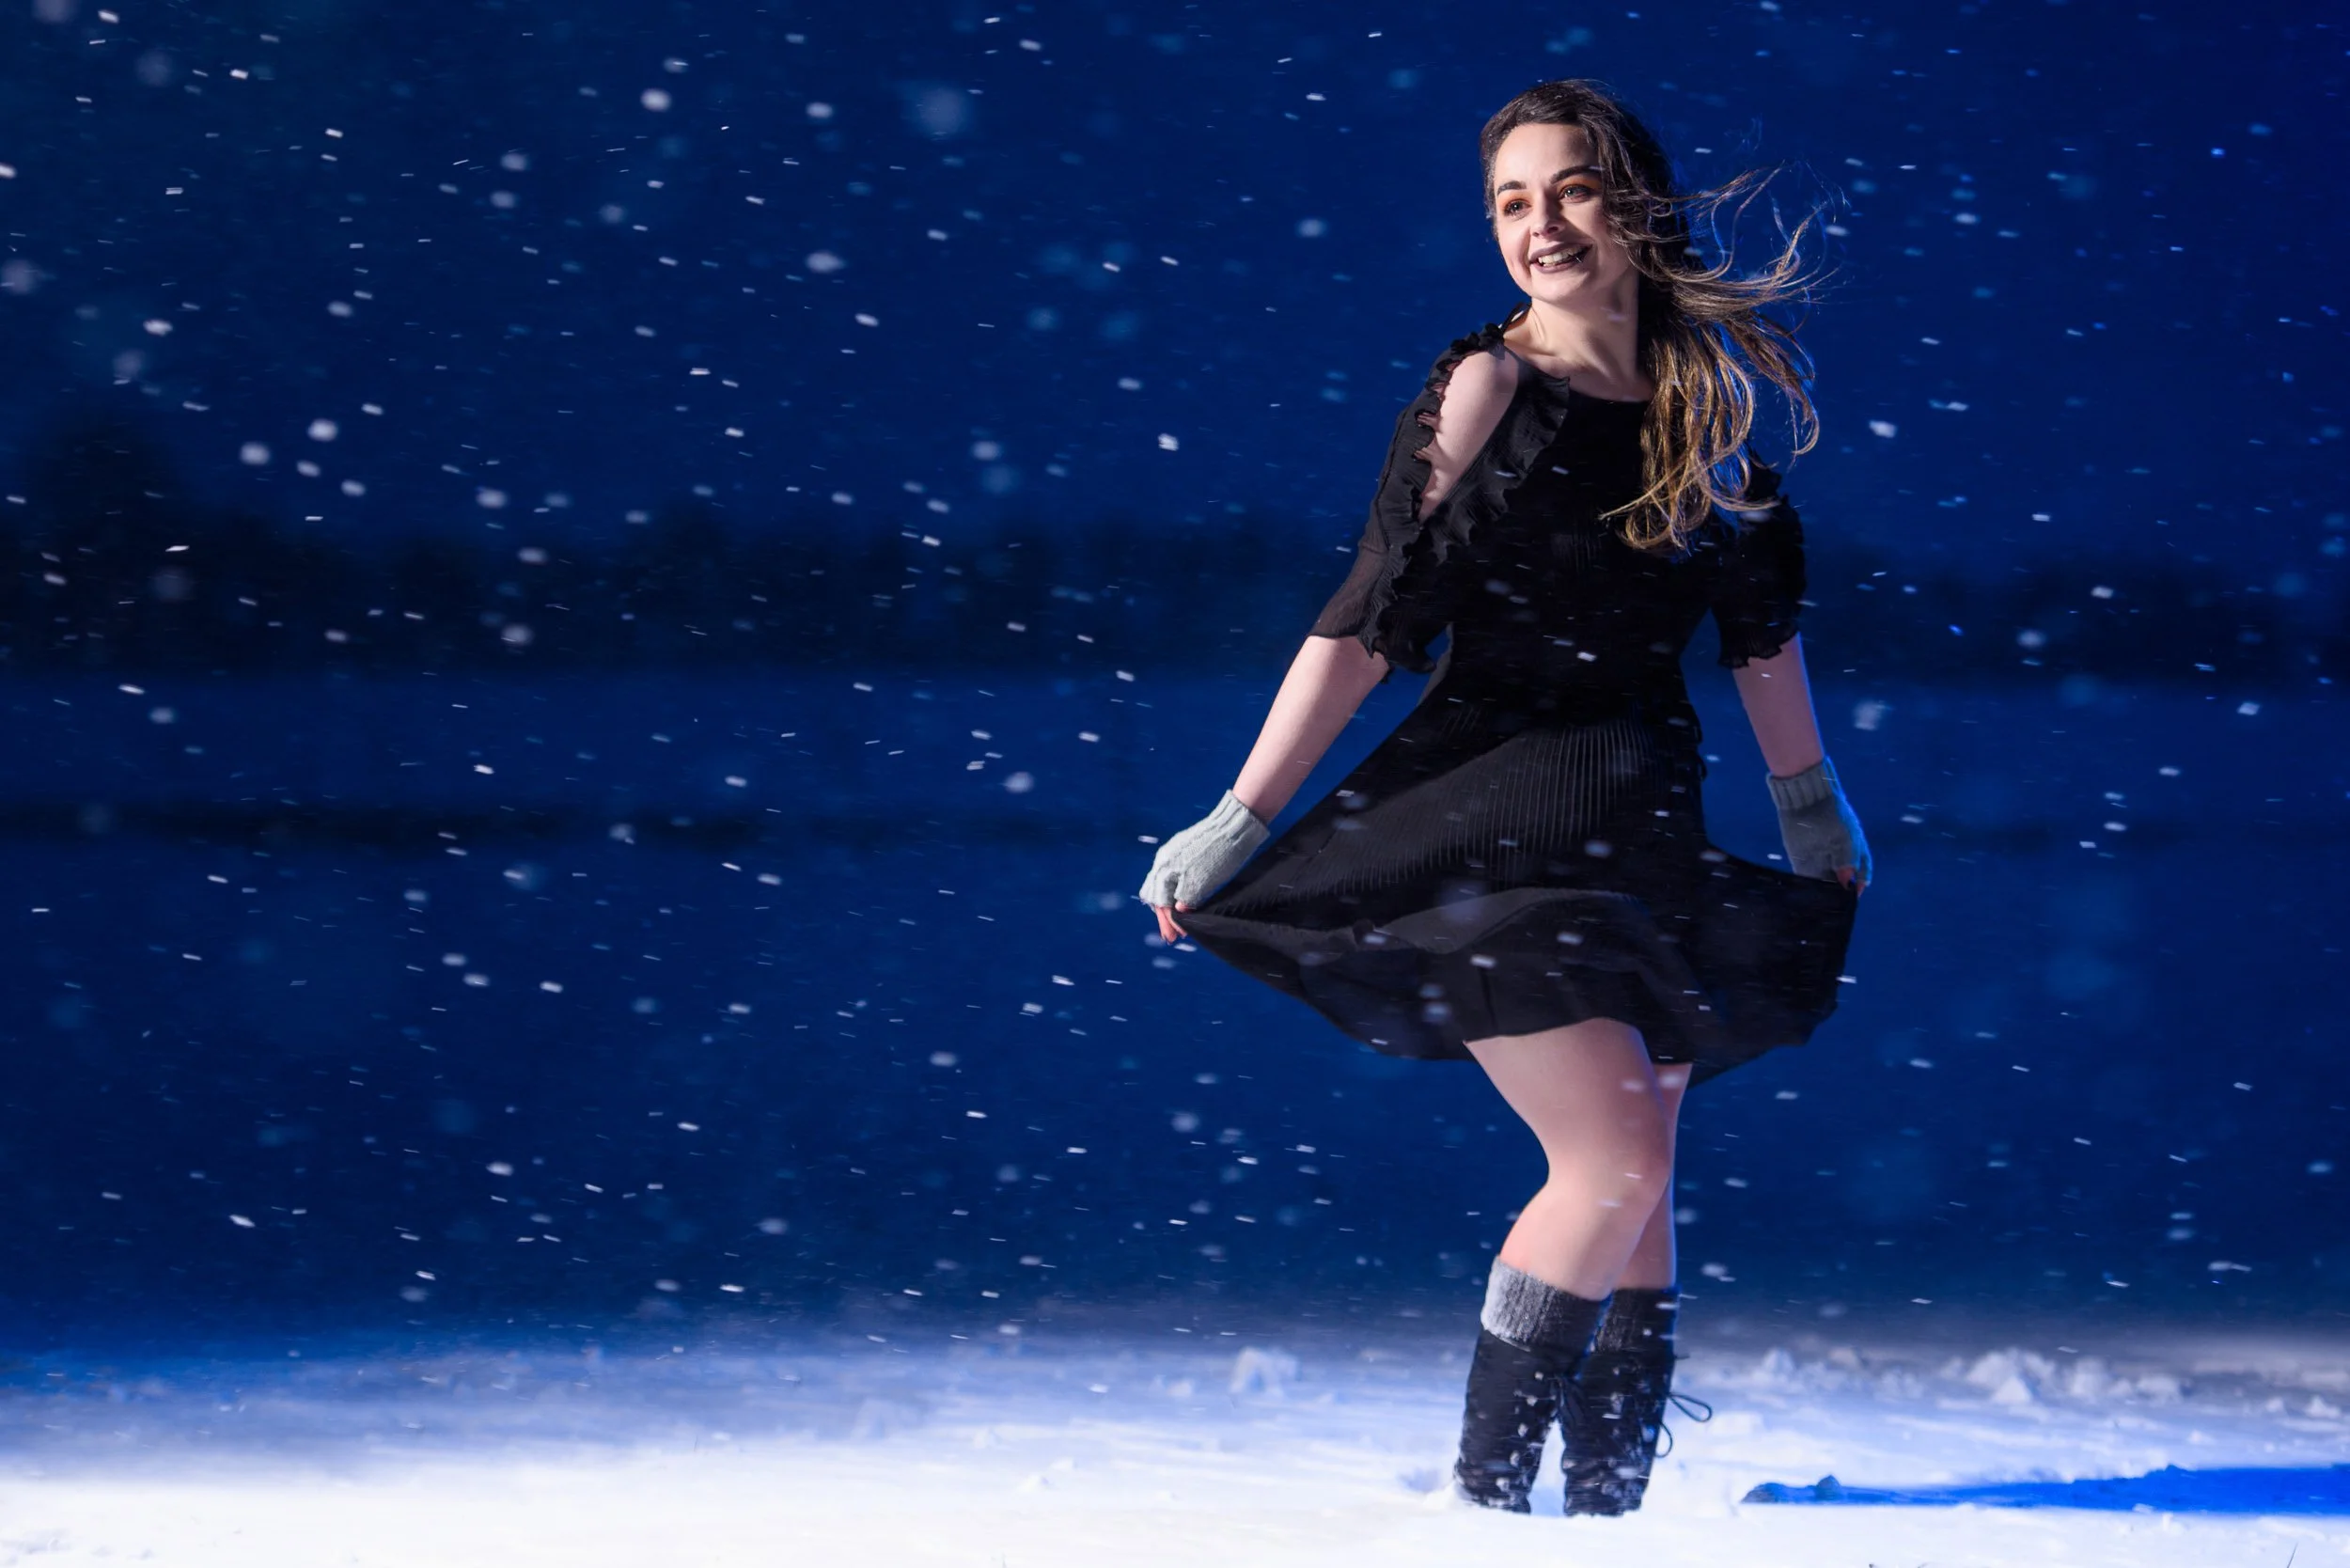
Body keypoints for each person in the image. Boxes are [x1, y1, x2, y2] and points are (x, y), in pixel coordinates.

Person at [1136, 79, 1870, 1517]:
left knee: (1645, 1161)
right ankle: (1486, 1510)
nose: (1540, 227)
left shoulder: (1702, 410)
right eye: (1511, 203)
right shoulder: (1487, 389)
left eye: (1571, 191)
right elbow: (1365, 622)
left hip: (1641, 809)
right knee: (1608, 1160)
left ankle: (1605, 1516)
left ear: (1635, 204)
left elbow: (1761, 638)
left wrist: (1810, 809)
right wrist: (1242, 815)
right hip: (1488, 816)